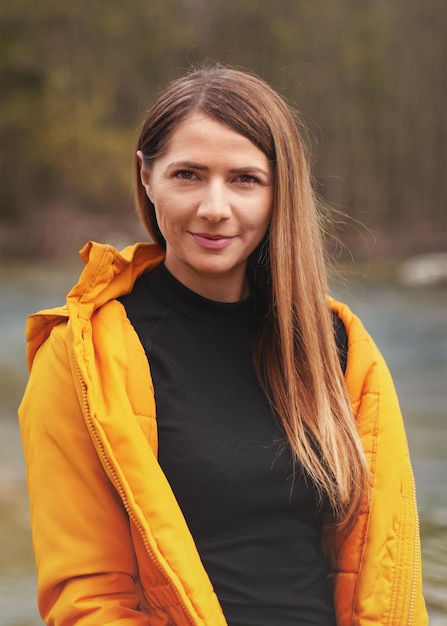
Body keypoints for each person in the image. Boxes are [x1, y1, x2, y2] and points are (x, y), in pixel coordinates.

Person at [19, 64, 428, 626]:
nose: (215, 207)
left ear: (280, 190)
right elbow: (87, 598)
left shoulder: (338, 346)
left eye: (244, 179)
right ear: (146, 175)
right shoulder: (82, 358)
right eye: (188, 175)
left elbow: (385, 571)